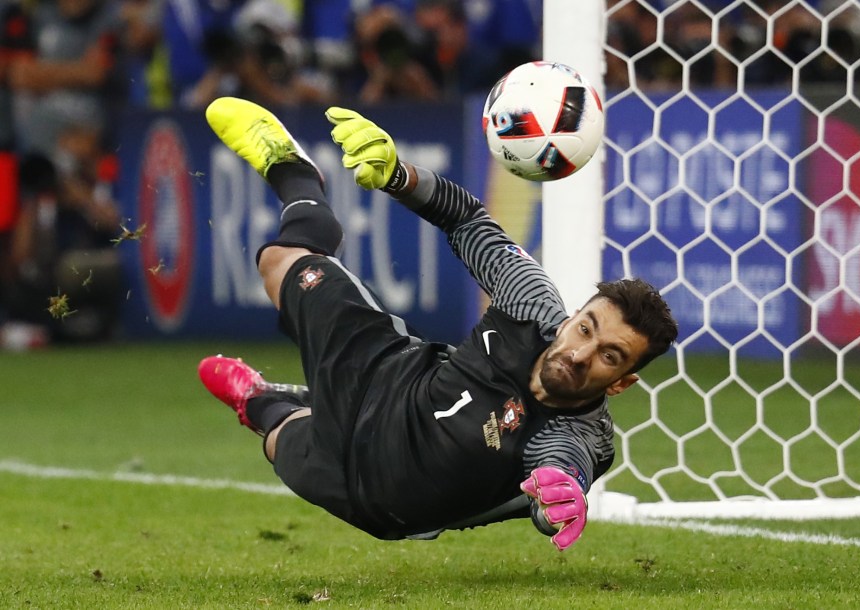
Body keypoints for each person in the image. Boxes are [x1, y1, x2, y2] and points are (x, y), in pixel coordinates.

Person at [198, 96, 678, 551]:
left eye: (608, 357)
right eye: (586, 329)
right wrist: (397, 174)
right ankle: (295, 172)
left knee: (275, 434)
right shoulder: (529, 303)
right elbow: (467, 221)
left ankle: (262, 399)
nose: (580, 353)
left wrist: (562, 499)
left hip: (374, 497)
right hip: (385, 373)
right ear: (574, 316)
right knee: (283, 262)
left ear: (621, 383)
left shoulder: (581, 434)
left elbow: (557, 479)